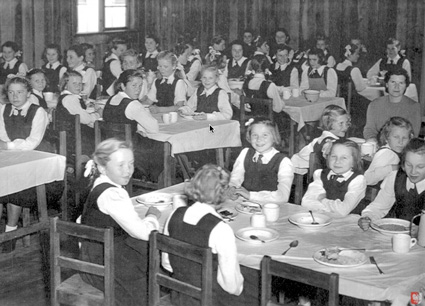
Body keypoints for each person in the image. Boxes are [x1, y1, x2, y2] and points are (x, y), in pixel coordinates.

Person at [80, 138, 161, 306]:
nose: (128, 171)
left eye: (131, 164)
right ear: (102, 167)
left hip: (95, 257)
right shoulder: (112, 194)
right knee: (155, 260)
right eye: (121, 165)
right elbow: (144, 233)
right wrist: (152, 216)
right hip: (106, 266)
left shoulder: (100, 184)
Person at [162, 164, 245, 306]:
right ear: (222, 192)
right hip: (210, 300)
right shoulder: (220, 229)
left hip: (179, 296)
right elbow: (231, 286)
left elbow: (167, 264)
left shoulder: (174, 215)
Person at [0, 77, 49, 252]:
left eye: (20, 92)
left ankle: (10, 231)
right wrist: (7, 146)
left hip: (35, 161)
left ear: (28, 93)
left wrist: (8, 146)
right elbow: (2, 135)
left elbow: (32, 142)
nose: (15, 96)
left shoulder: (38, 112)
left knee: (15, 181)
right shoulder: (3, 109)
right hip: (12, 157)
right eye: (11, 92)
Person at [103, 69, 161, 183]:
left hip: (111, 149)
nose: (138, 89)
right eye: (134, 85)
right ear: (123, 86)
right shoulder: (132, 104)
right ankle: (156, 182)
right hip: (130, 154)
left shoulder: (111, 100)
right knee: (163, 146)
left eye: (140, 86)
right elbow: (154, 128)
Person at [358, 138, 425, 230]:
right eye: (409, 165)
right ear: (402, 164)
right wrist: (367, 217)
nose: (413, 171)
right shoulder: (395, 177)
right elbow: (379, 206)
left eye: (420, 166)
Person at [228, 118, 294, 204]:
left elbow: (283, 196)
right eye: (255, 135)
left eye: (265, 135)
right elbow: (235, 178)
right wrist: (232, 188)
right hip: (246, 204)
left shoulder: (284, 162)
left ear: (274, 137)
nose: (259, 139)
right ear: (249, 136)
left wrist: (251, 195)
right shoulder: (245, 153)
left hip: (272, 207)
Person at [301, 139, 366, 217]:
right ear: (328, 157)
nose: (337, 161)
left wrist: (322, 200)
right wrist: (333, 208)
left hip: (348, 223)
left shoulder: (358, 180)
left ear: (354, 162)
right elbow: (306, 202)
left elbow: (343, 211)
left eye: (344, 158)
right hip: (322, 218)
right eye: (334, 156)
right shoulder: (320, 174)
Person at [363, 67, 421, 143]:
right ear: (387, 84)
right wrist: (373, 141)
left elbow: (413, 135)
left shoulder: (414, 107)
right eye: (393, 82)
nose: (396, 87)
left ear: (405, 86)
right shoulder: (374, 104)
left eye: (401, 83)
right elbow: (369, 130)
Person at [291, 105, 350, 173]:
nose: (345, 127)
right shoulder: (327, 140)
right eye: (341, 124)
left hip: (308, 166)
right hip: (302, 169)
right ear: (328, 123)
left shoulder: (329, 137)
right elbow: (326, 149)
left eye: (347, 123)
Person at [56, 71, 101, 155]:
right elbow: (86, 119)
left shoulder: (65, 97)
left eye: (80, 83)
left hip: (70, 137)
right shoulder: (70, 99)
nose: (78, 86)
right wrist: (98, 114)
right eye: (74, 83)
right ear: (65, 85)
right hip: (76, 140)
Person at [364, 117, 413, 186]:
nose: (400, 142)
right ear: (387, 138)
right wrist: (393, 168)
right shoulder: (387, 154)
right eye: (396, 137)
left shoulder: (396, 152)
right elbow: (368, 179)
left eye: (404, 138)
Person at [335, 43, 371, 136]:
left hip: (340, 100)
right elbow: (360, 88)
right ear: (349, 55)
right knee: (371, 104)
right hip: (352, 103)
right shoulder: (353, 69)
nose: (358, 56)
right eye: (356, 54)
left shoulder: (336, 67)